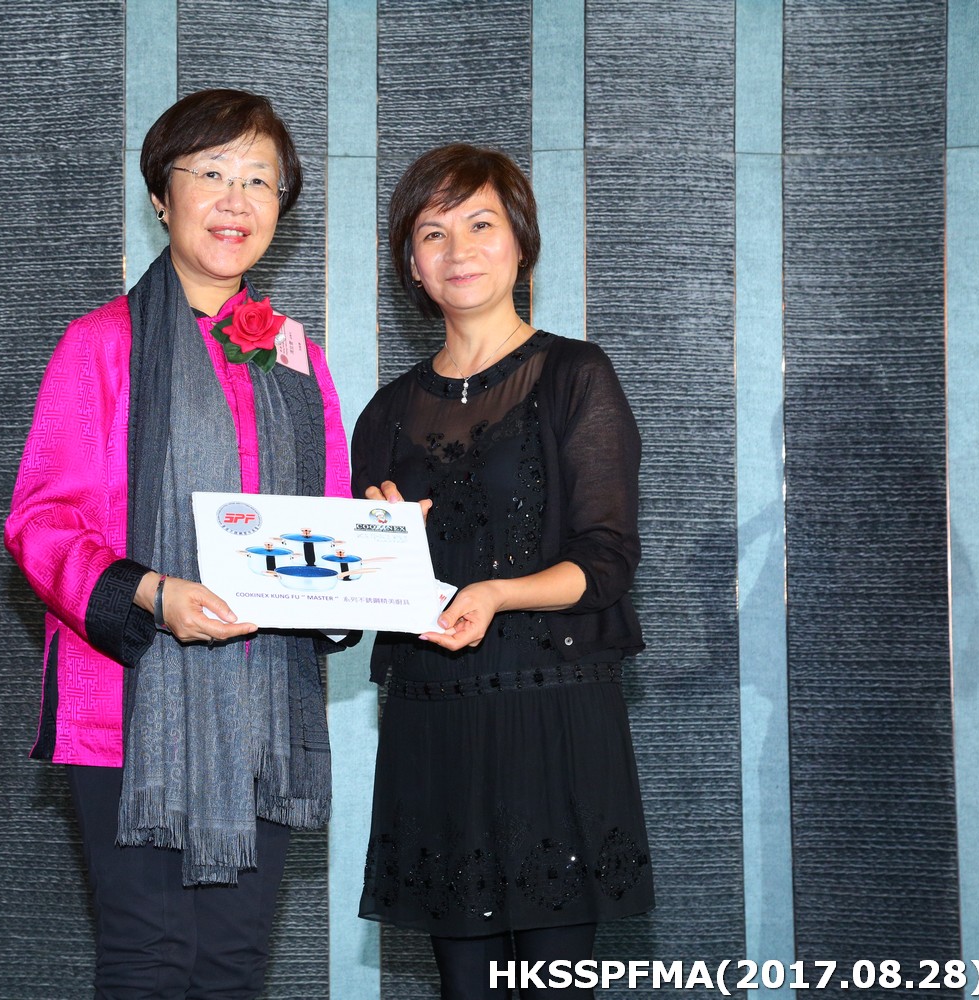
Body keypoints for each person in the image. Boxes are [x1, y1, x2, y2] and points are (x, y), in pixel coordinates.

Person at [5, 88, 350, 1000]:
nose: (236, 200)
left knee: (233, 966)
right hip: (127, 706)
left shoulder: (296, 358)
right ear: (162, 197)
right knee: (151, 961)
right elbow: (41, 521)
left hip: (262, 708)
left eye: (260, 180)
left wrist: (371, 556)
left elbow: (327, 515)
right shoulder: (101, 344)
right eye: (212, 174)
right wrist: (154, 594)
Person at [352, 144, 653, 999]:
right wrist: (380, 548)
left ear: (521, 241)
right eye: (433, 233)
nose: (459, 250)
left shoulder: (576, 375)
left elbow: (606, 562)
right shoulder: (383, 413)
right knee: (466, 987)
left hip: (552, 712)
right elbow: (367, 590)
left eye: (481, 224)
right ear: (411, 266)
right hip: (433, 720)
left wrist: (494, 593)